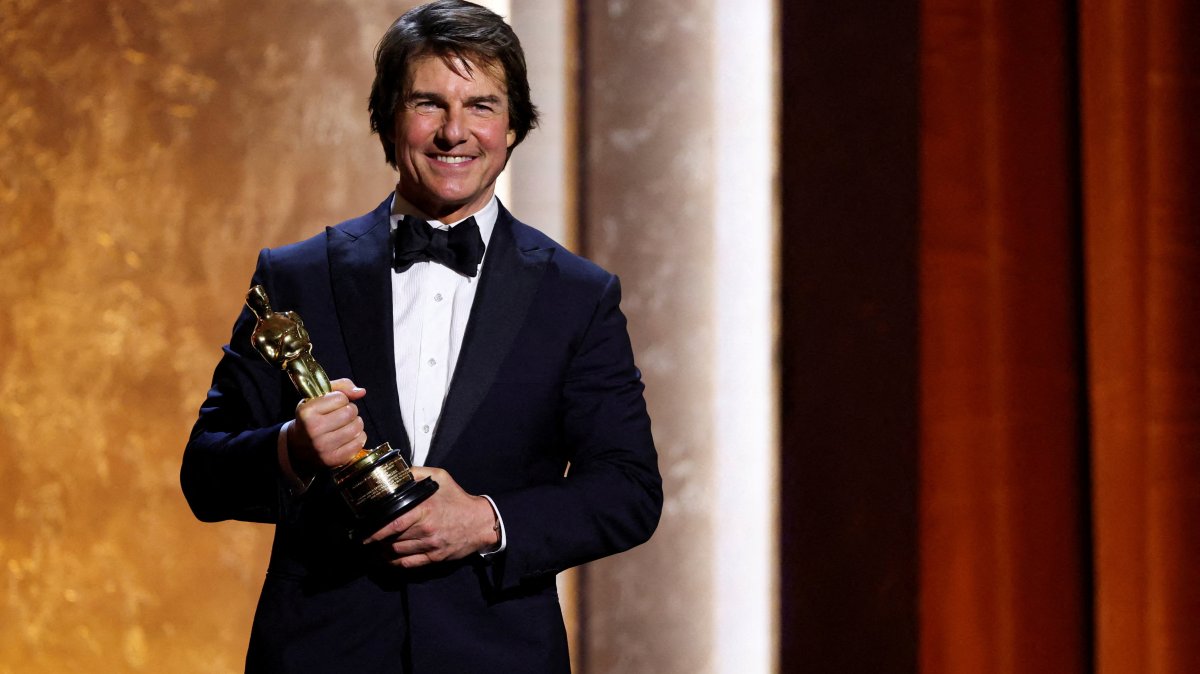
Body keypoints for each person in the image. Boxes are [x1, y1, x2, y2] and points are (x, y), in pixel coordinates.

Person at [180, 2, 662, 672]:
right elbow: (205, 474)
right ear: (386, 120)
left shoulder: (577, 296)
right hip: (320, 654)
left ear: (515, 125)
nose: (454, 133)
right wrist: (293, 449)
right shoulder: (295, 278)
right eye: (428, 104)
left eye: (482, 106)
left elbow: (628, 490)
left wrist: (488, 521)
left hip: (499, 656)